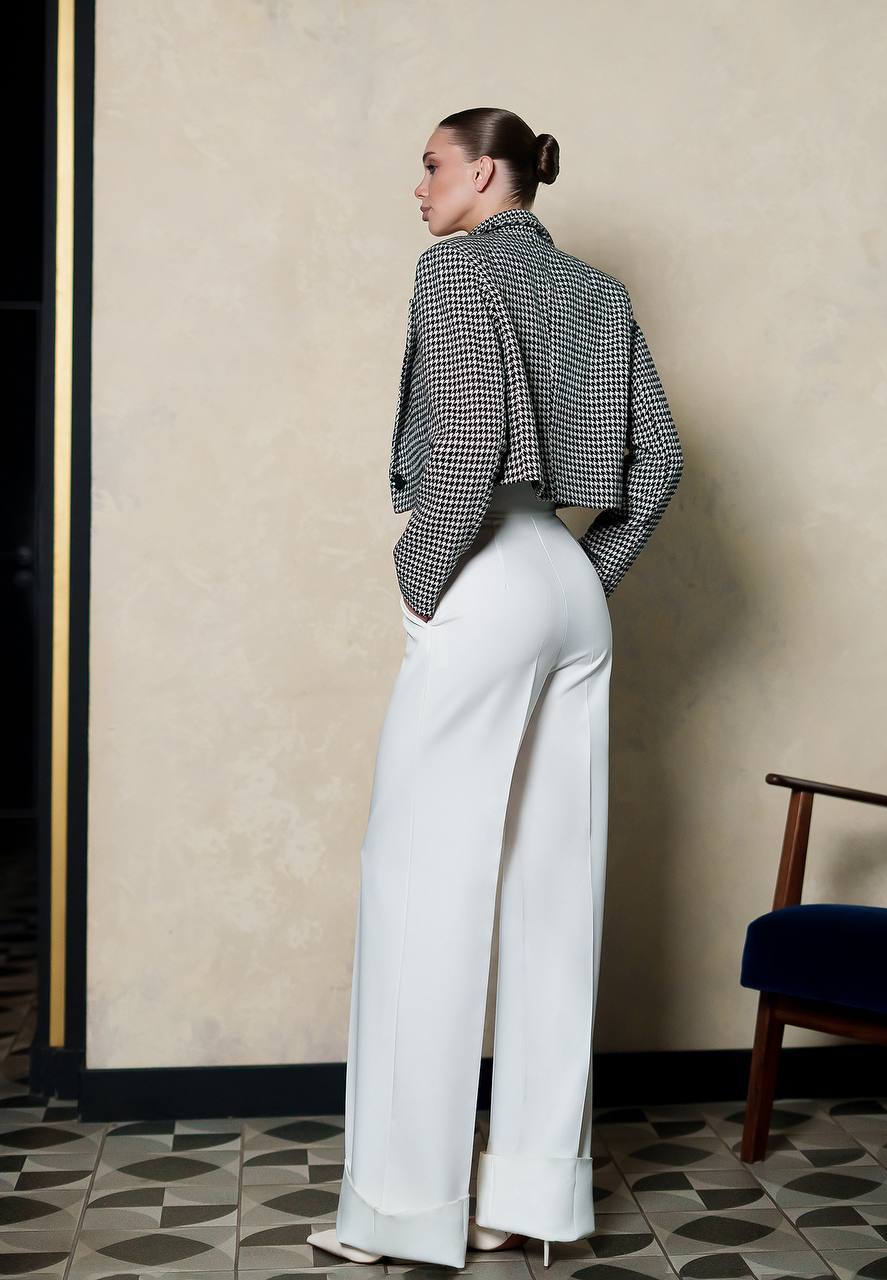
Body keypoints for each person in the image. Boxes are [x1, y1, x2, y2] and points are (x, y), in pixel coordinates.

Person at [308, 107, 684, 1270]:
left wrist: (422, 585)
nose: (416, 186)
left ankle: (399, 1212)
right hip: (567, 579)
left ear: (485, 173)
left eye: (429, 166)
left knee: (418, 880)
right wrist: (586, 573)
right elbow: (658, 463)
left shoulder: (456, 270)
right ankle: (528, 1199)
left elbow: (467, 445)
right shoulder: (602, 293)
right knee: (546, 890)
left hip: (483, 568)